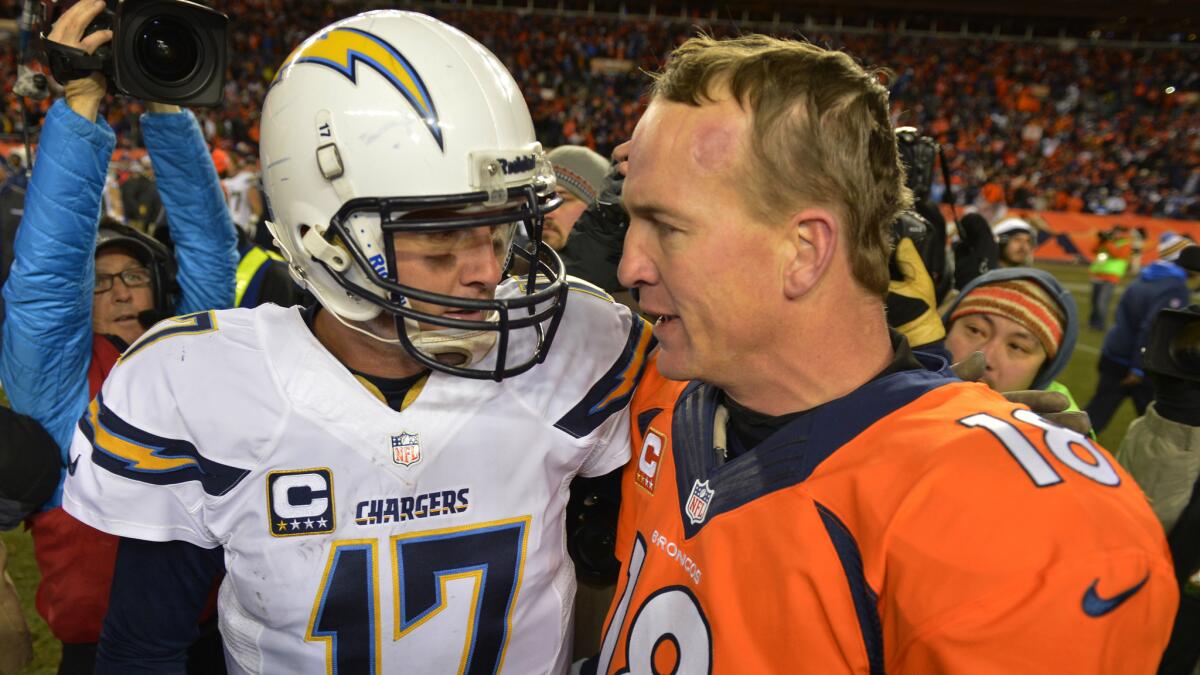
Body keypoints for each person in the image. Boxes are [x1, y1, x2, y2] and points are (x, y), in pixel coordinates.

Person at [63, 11, 653, 673]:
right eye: (441, 234)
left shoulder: (577, 347)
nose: (487, 269)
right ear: (322, 238)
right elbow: (144, 649)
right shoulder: (202, 389)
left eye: (499, 228)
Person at [592, 34, 1176, 674]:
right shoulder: (661, 389)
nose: (630, 265)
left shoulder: (1001, 517)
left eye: (668, 227)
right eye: (632, 221)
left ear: (806, 251)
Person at [0, 1, 237, 671]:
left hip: (219, 642)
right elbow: (45, 278)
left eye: (133, 273)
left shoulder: (194, 356)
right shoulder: (56, 393)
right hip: (99, 656)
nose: (122, 289)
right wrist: (80, 102)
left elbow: (209, 247)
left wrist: (168, 104)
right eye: (101, 283)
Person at [1085, 232, 1195, 433]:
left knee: (1094, 417)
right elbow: (1154, 329)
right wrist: (1137, 367)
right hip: (1137, 364)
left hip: (1114, 354)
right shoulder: (1174, 287)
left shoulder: (1145, 276)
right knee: (1160, 428)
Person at [942, 267, 1083, 409]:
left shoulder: (1061, 429)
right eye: (975, 330)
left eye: (1016, 346)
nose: (986, 359)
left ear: (1042, 371)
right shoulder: (918, 378)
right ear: (947, 329)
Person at [544, 145, 609, 251]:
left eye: (563, 200)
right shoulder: (514, 264)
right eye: (540, 200)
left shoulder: (623, 266)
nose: (546, 214)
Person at [1089, 224, 1134, 331]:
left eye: (1118, 232)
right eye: (1115, 232)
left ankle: (1100, 324)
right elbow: (1094, 250)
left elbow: (1117, 254)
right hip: (1098, 274)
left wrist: (1108, 242)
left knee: (1102, 301)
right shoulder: (1108, 242)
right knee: (1094, 301)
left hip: (1111, 276)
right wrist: (1101, 240)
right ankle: (1093, 322)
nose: (1116, 234)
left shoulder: (1125, 244)